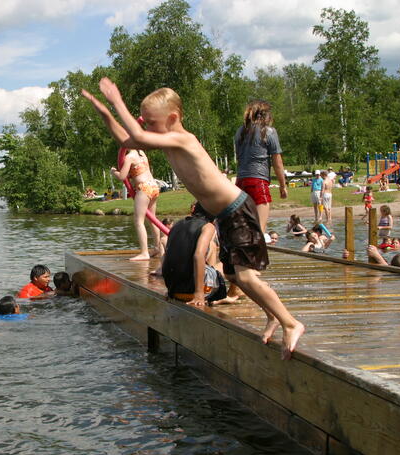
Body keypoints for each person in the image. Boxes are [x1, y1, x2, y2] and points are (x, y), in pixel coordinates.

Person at [82, 79, 304, 359]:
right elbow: (129, 140)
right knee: (235, 274)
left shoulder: (183, 139)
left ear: (172, 118)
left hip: (237, 209)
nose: (146, 127)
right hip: (224, 214)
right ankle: (273, 316)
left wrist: (116, 100)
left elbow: (137, 135)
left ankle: (291, 323)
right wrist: (104, 111)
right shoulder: (168, 141)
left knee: (246, 277)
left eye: (151, 122)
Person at [234, 100, 287, 236]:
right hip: (258, 182)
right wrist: (282, 185)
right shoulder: (269, 132)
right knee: (259, 232)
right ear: (266, 115)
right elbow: (277, 162)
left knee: (244, 230)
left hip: (240, 183)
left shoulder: (240, 131)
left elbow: (239, 157)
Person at [161, 203, 227, 306]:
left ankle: (209, 281)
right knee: (231, 263)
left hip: (173, 289)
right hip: (190, 292)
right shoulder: (208, 226)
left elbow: (167, 255)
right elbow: (198, 255)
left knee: (212, 246)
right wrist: (198, 293)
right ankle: (232, 293)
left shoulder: (177, 225)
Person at [110, 148, 162, 260]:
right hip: (154, 186)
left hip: (144, 188)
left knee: (138, 221)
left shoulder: (129, 157)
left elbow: (122, 176)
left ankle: (144, 253)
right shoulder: (142, 153)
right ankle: (157, 248)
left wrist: (113, 171)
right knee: (152, 219)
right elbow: (138, 171)